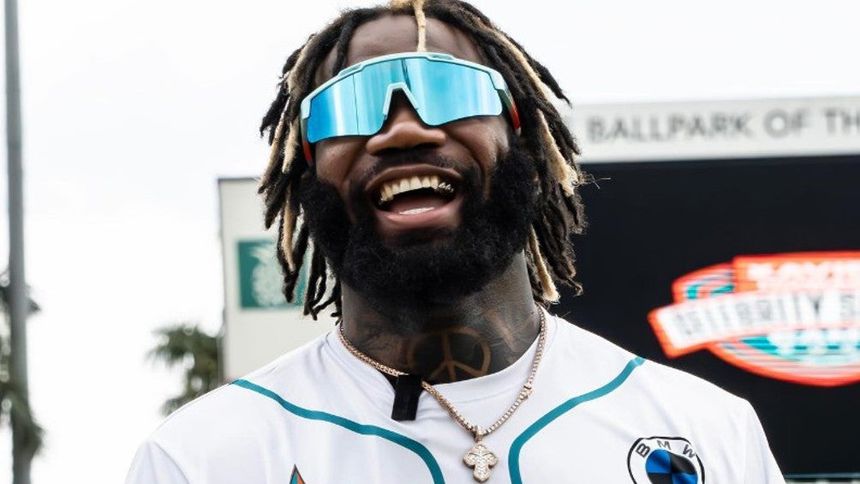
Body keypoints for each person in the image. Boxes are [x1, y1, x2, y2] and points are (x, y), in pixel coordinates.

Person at [126, 1, 785, 482]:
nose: (402, 130)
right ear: (307, 175)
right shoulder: (206, 458)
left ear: (525, 143)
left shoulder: (705, 429)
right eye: (347, 107)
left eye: (448, 89)